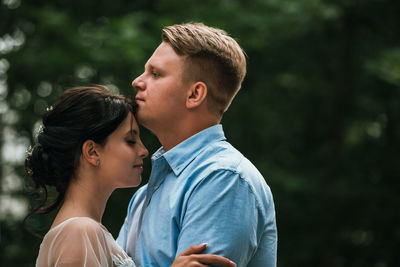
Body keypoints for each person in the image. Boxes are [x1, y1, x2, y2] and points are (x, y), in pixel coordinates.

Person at [117, 22, 277, 267]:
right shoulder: (143, 196)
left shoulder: (222, 179)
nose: (137, 81)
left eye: (156, 74)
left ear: (194, 95)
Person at [25, 85, 237, 267]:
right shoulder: (78, 232)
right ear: (92, 152)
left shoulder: (89, 230)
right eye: (130, 140)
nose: (144, 151)